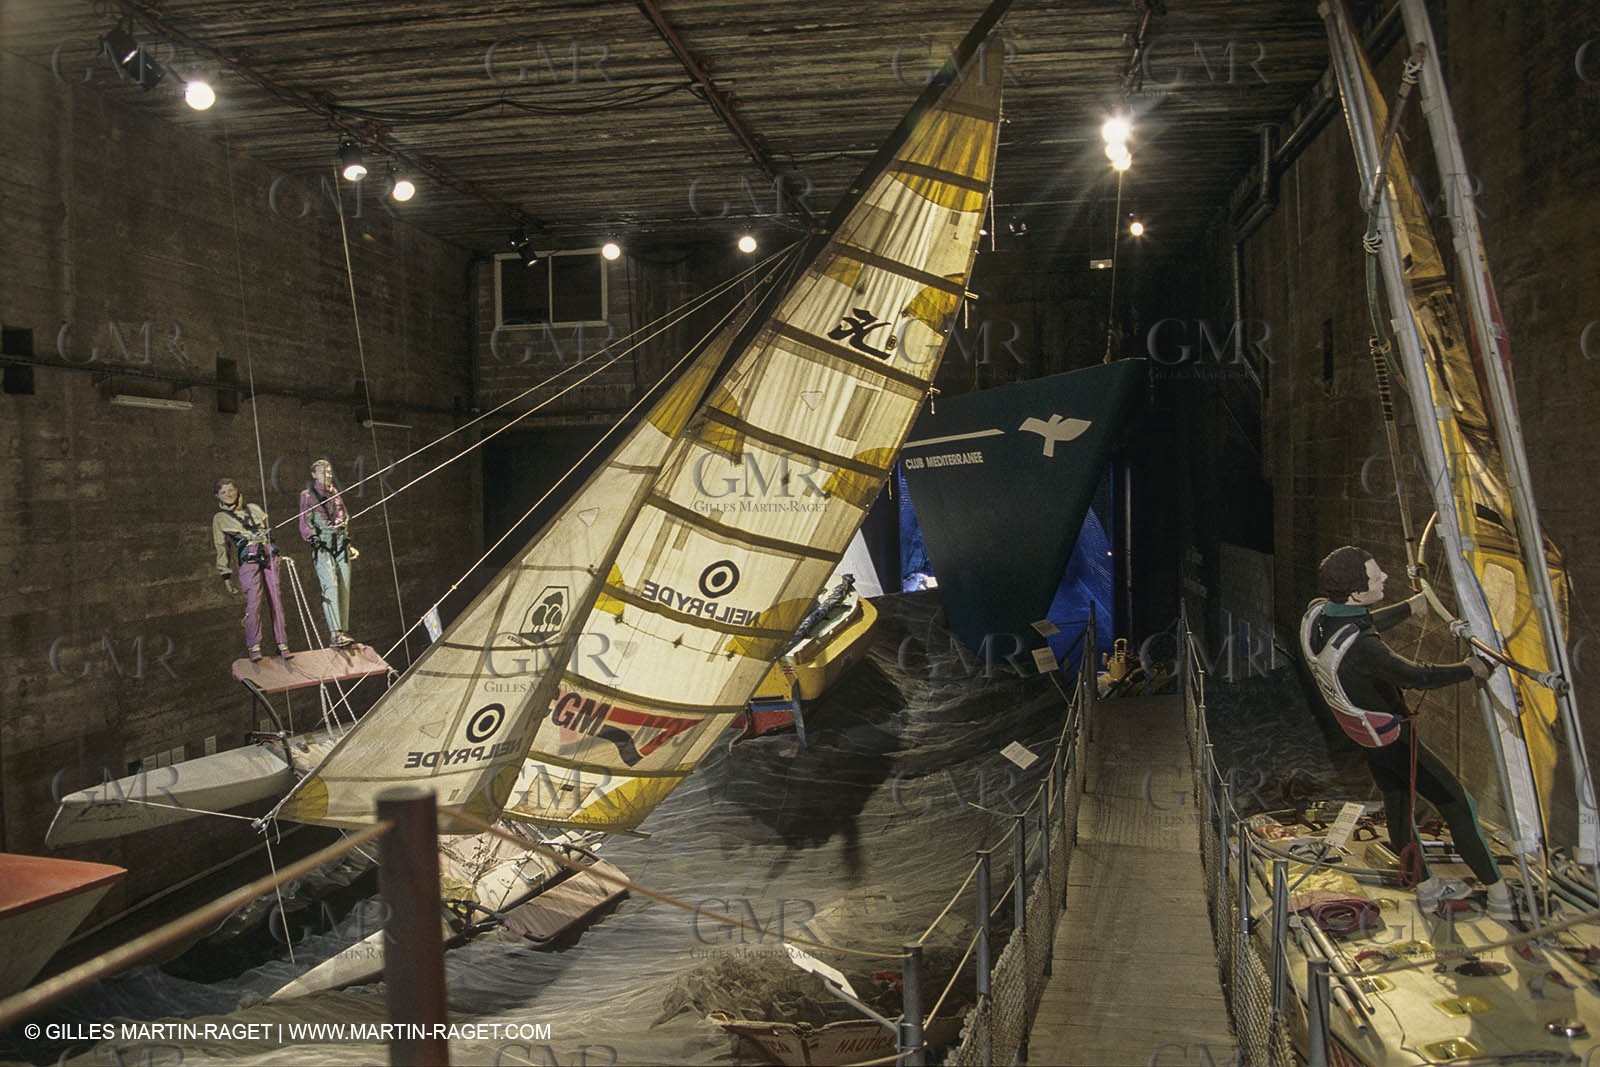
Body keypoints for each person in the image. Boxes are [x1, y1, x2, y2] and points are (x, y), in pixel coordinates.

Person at [1300, 545, 1512, 914]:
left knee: (1398, 806)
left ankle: (1427, 888)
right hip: (1393, 738)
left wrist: (1411, 608)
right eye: (1375, 575)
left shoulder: (1317, 616)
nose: (1384, 577)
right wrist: (1470, 668)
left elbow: (1357, 624)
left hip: (1366, 736)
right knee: (1458, 804)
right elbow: (1418, 676)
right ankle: (1499, 895)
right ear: (1357, 592)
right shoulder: (1366, 651)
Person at [212, 477, 292, 662]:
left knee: (276, 600)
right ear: (218, 496)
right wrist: (226, 575)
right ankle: (254, 645)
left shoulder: (255, 509)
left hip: (268, 556)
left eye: (231, 490)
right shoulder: (220, 519)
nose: (229, 494)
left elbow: (269, 533)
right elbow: (221, 547)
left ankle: (282, 643)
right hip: (248, 560)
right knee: (254, 603)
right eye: (224, 492)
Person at [298, 458, 359, 648]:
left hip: (340, 542)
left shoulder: (335, 494)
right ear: (314, 474)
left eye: (330, 472)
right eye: (323, 472)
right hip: (323, 544)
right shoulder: (307, 496)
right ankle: (335, 633)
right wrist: (313, 538)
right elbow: (304, 521)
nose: (328, 475)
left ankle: (343, 631)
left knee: (344, 586)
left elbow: (344, 517)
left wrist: (348, 544)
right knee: (330, 586)